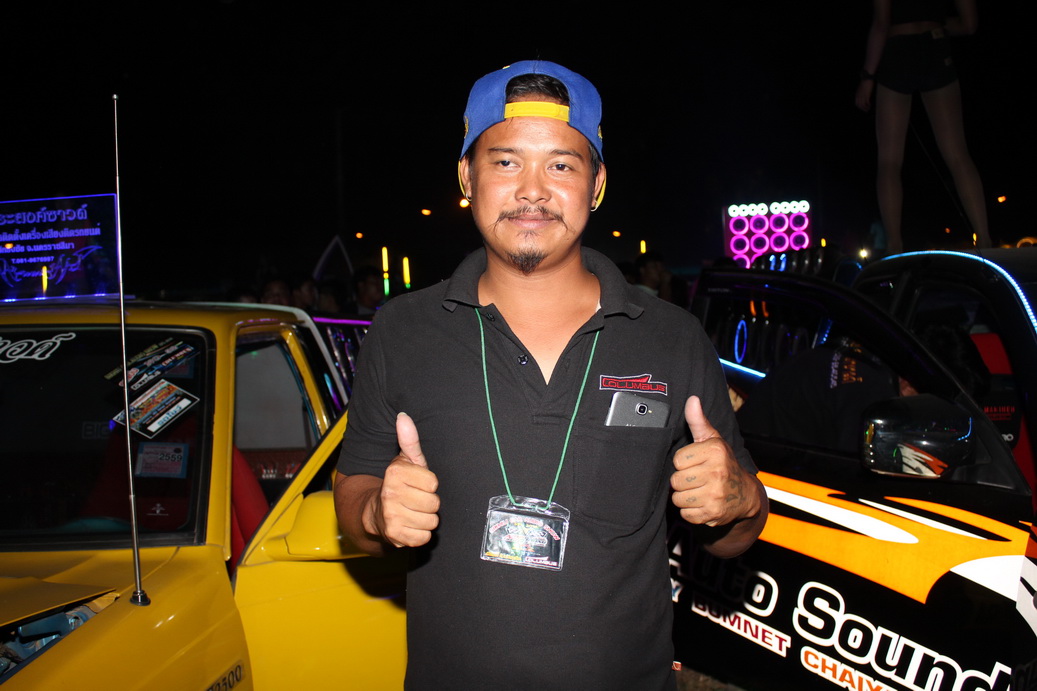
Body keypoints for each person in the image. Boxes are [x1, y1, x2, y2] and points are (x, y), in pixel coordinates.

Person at [333, 60, 767, 689]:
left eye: (561, 165)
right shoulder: (401, 330)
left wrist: (740, 501)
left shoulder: (673, 338)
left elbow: (736, 535)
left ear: (597, 184)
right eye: (507, 162)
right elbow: (353, 491)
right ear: (466, 176)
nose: (532, 191)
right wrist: (377, 513)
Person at [855, 0, 990, 254]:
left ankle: (894, 244)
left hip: (897, 49)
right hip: (935, 46)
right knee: (958, 155)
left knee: (889, 161)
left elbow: (881, 24)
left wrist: (867, 77)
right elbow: (970, 24)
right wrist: (935, 22)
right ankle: (984, 238)